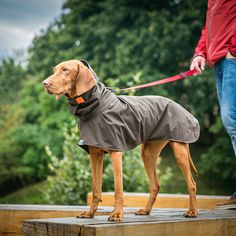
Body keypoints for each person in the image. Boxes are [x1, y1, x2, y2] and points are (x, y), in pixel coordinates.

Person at [190, 0, 236, 205]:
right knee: (231, 123)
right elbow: (208, 27)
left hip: (231, 59)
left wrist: (233, 50)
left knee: (232, 120)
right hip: (220, 60)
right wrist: (201, 52)